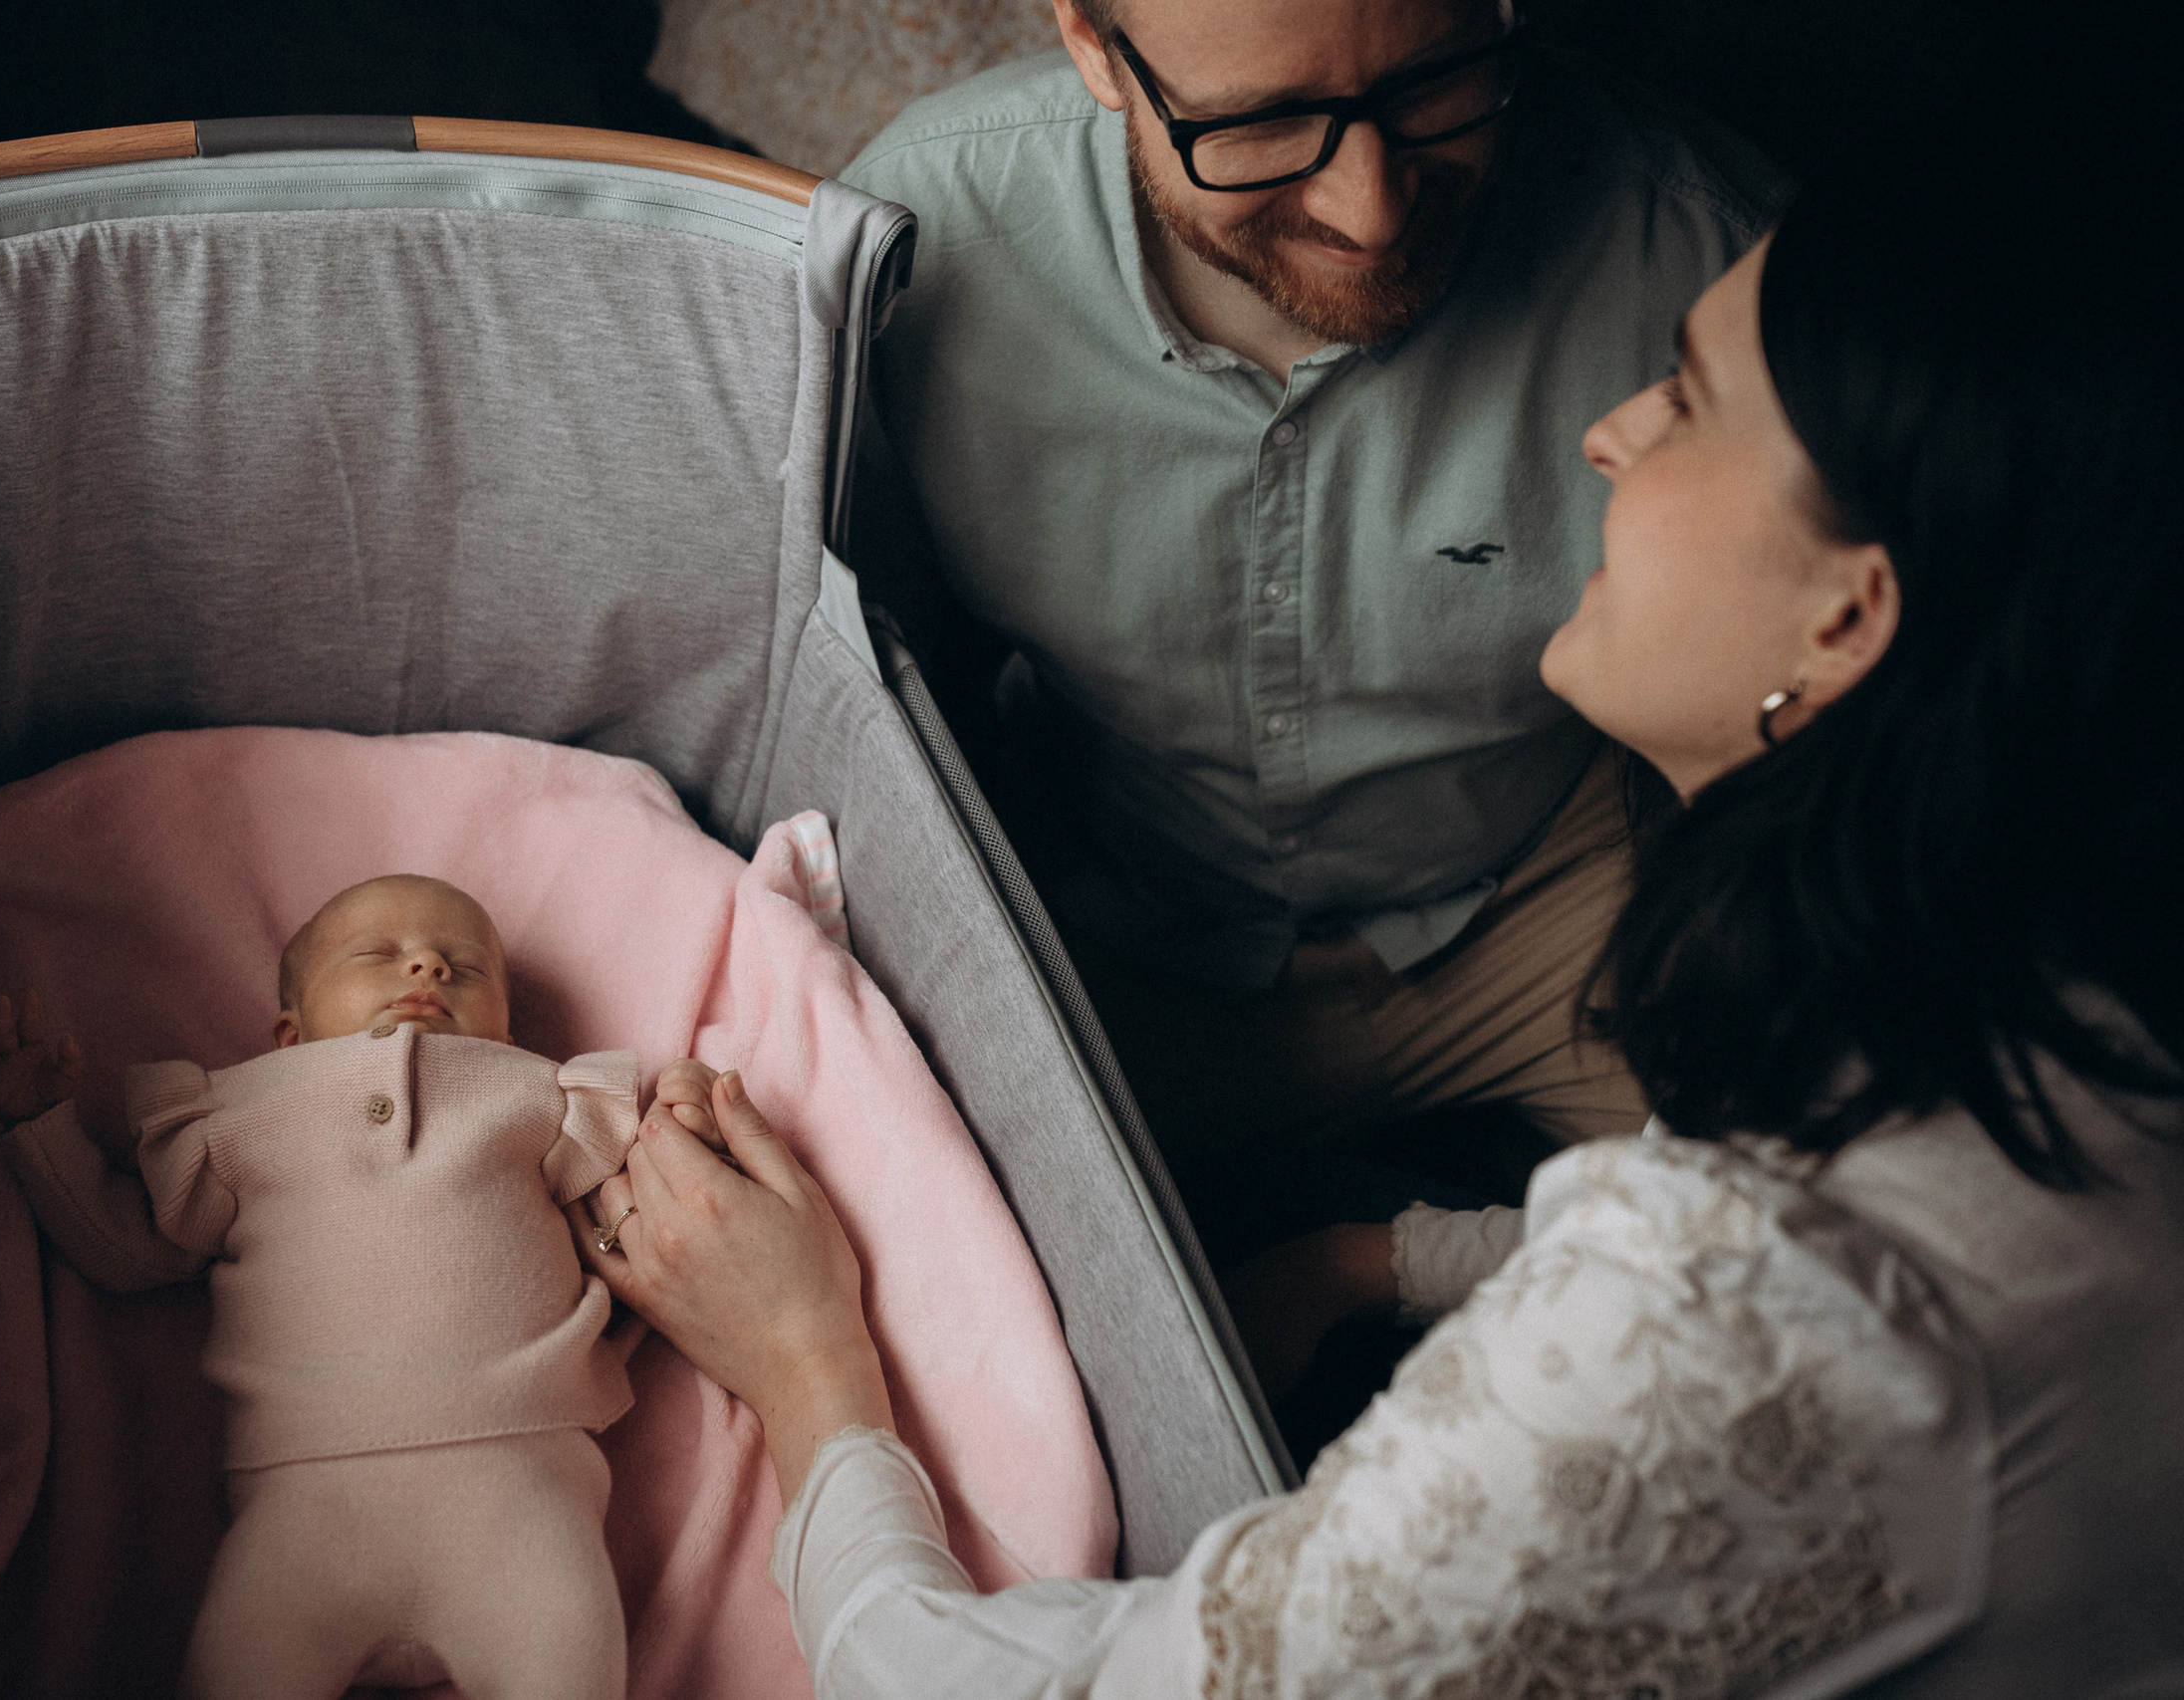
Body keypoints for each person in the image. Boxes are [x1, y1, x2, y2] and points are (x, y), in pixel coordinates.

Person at [577, 122, 2184, 1696]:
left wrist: (809, 1368)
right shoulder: (2047, 999)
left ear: (1850, 612)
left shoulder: (1725, 1309)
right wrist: (1374, 1258)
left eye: (1689, 400)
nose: (1612, 432)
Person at [839, 0, 1781, 1203]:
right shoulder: (912, 239)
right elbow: (858, 660)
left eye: (1435, 84)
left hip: (1577, 910)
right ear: (1089, 41)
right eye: (1263, 124)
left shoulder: (1717, 258)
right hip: (1120, 929)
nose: (1370, 211)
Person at [0, 874, 707, 1700]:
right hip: (306, 1513)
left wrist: (689, 1132)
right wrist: (38, 1130)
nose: (426, 966)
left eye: (463, 965)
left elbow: (641, 1224)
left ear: (509, 1027)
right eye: (379, 954)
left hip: (521, 1490)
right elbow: (124, 1248)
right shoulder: (237, 1117)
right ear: (290, 1032)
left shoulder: (537, 1096)